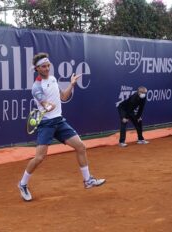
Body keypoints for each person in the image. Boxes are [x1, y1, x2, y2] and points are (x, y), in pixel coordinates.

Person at [18, 53, 106, 201]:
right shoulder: (36, 87)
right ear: (37, 68)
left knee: (81, 147)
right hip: (46, 124)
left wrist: (71, 84)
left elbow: (64, 97)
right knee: (39, 157)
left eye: (48, 65)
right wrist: (47, 105)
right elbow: (44, 103)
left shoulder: (52, 79)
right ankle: (22, 184)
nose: (47, 68)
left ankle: (87, 180)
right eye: (43, 66)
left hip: (59, 121)